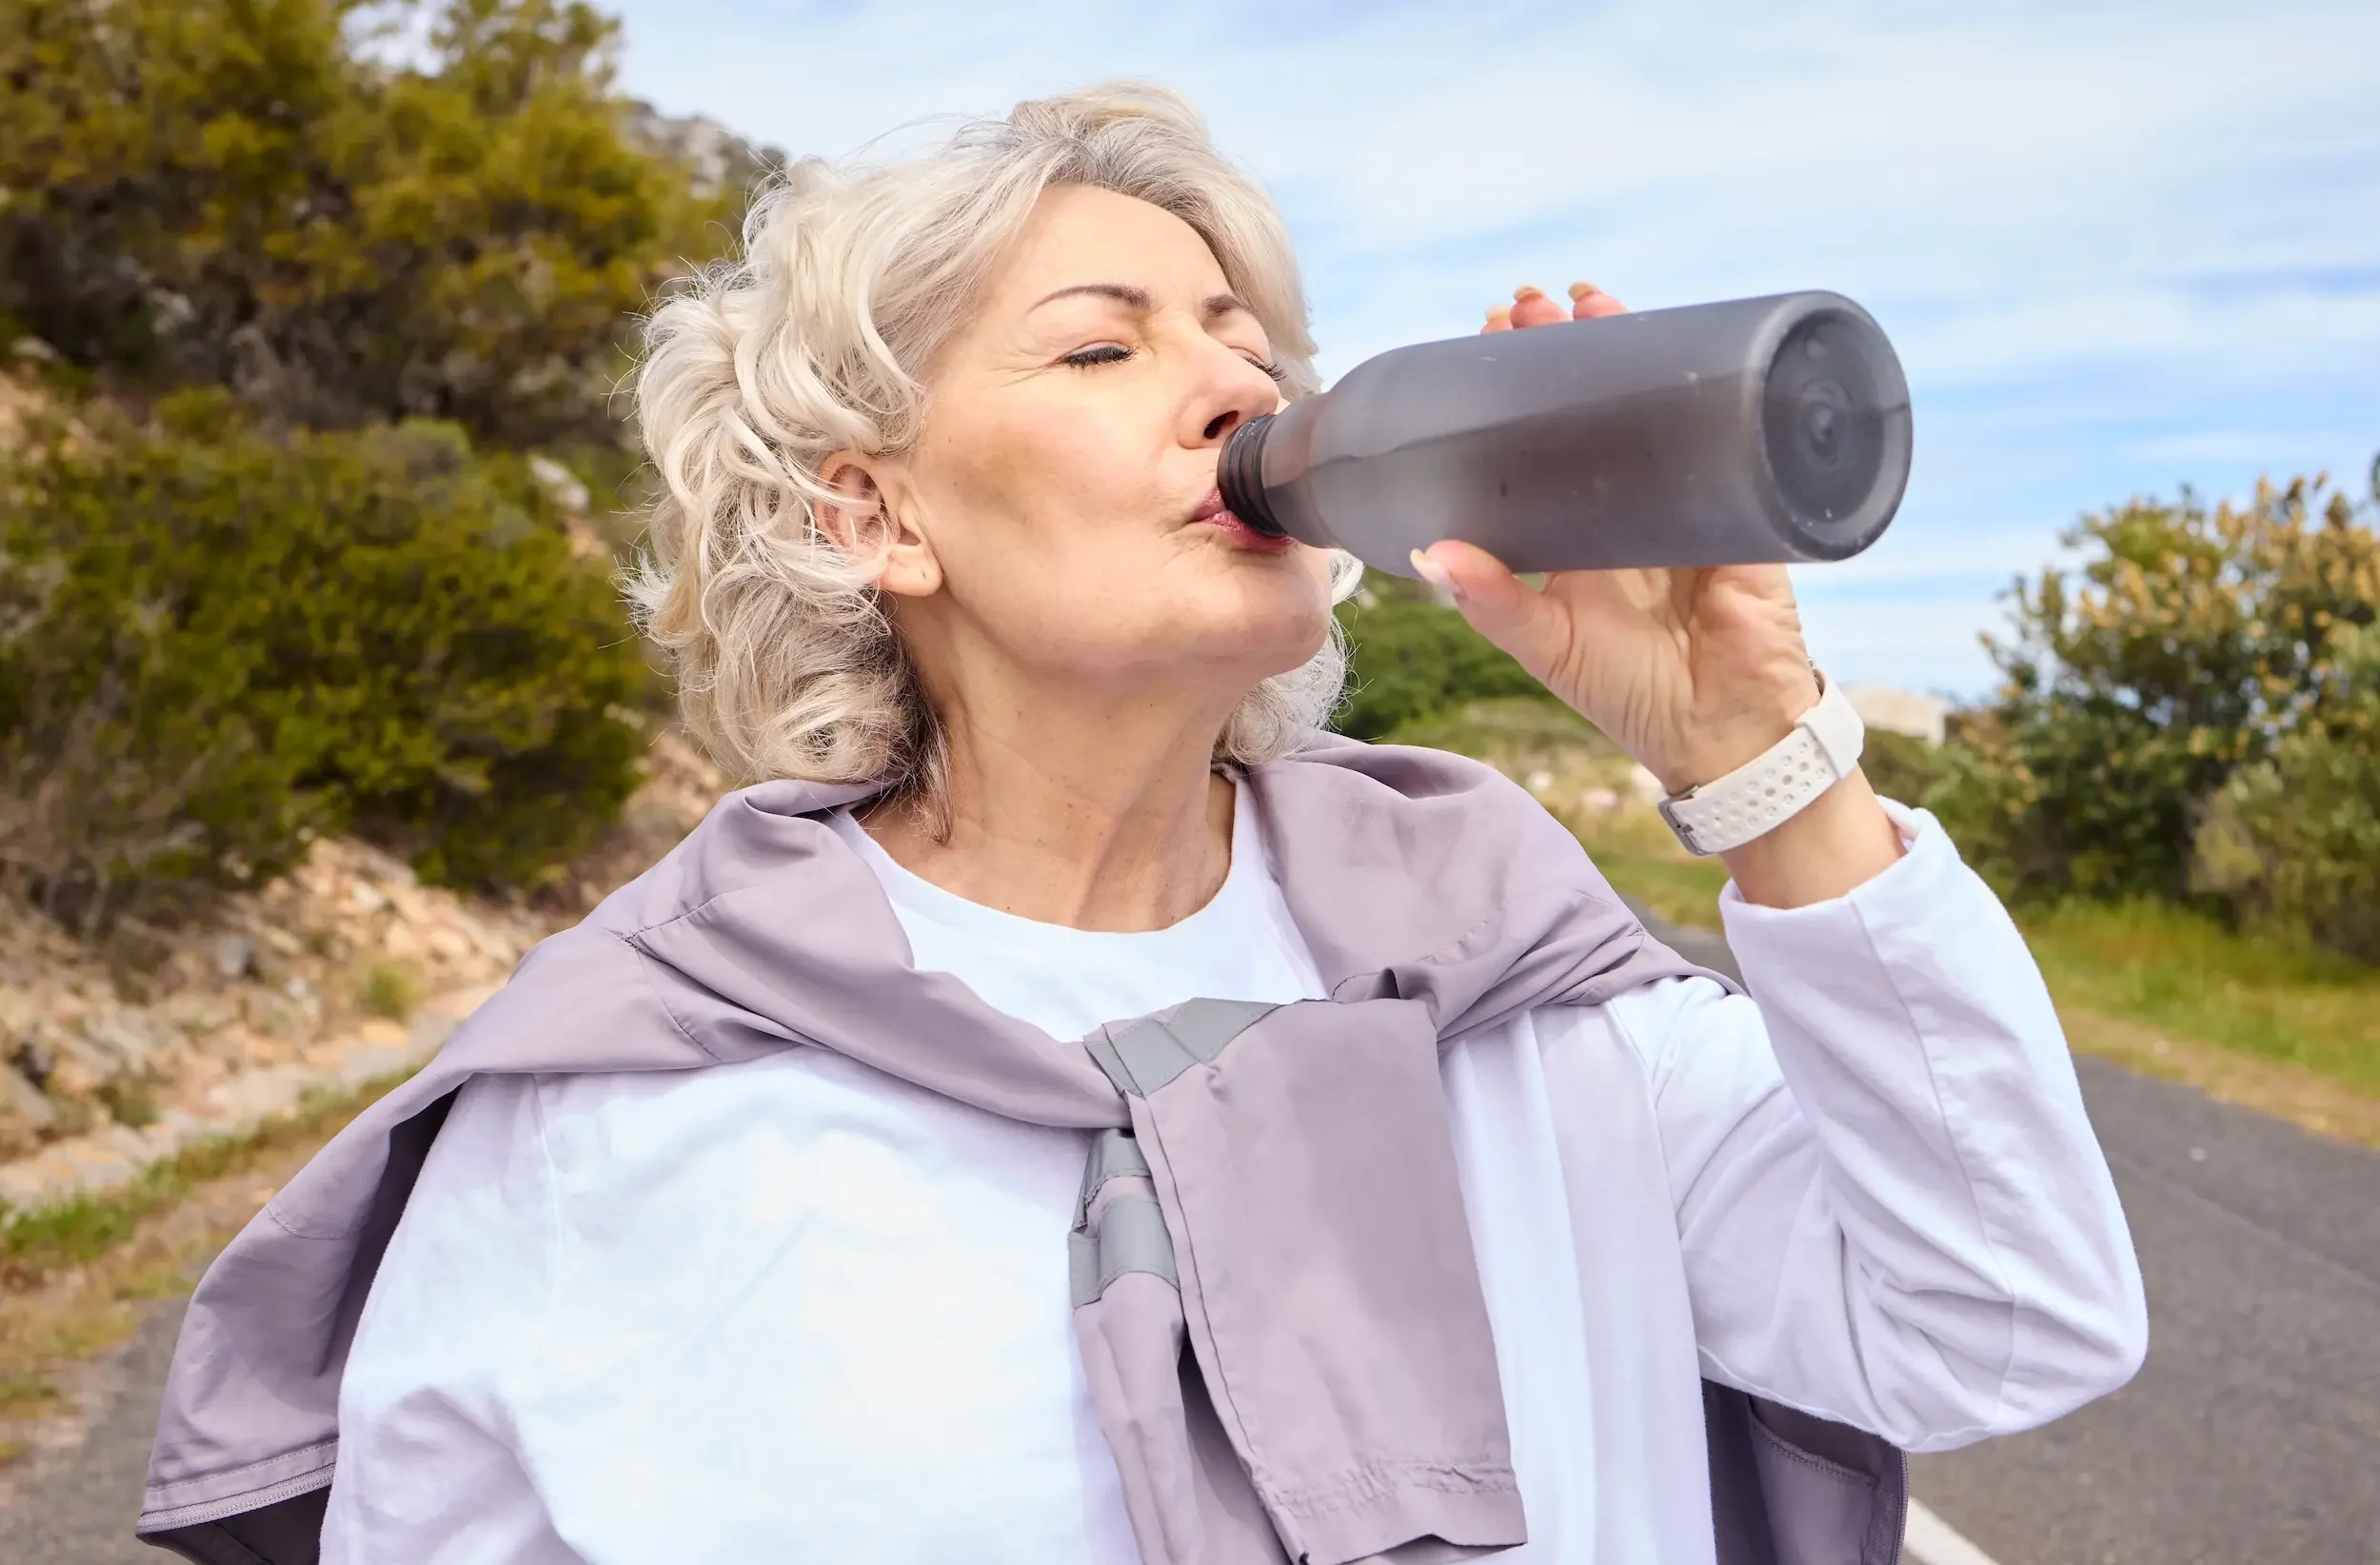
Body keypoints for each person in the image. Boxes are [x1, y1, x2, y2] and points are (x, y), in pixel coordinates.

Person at [142, 84, 2144, 1565]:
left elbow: (2003, 1320)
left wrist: (1762, 758)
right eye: (1101, 347)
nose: (1227, 391)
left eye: (1243, 345)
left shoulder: (1519, 992)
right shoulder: (620, 1112)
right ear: (875, 514)